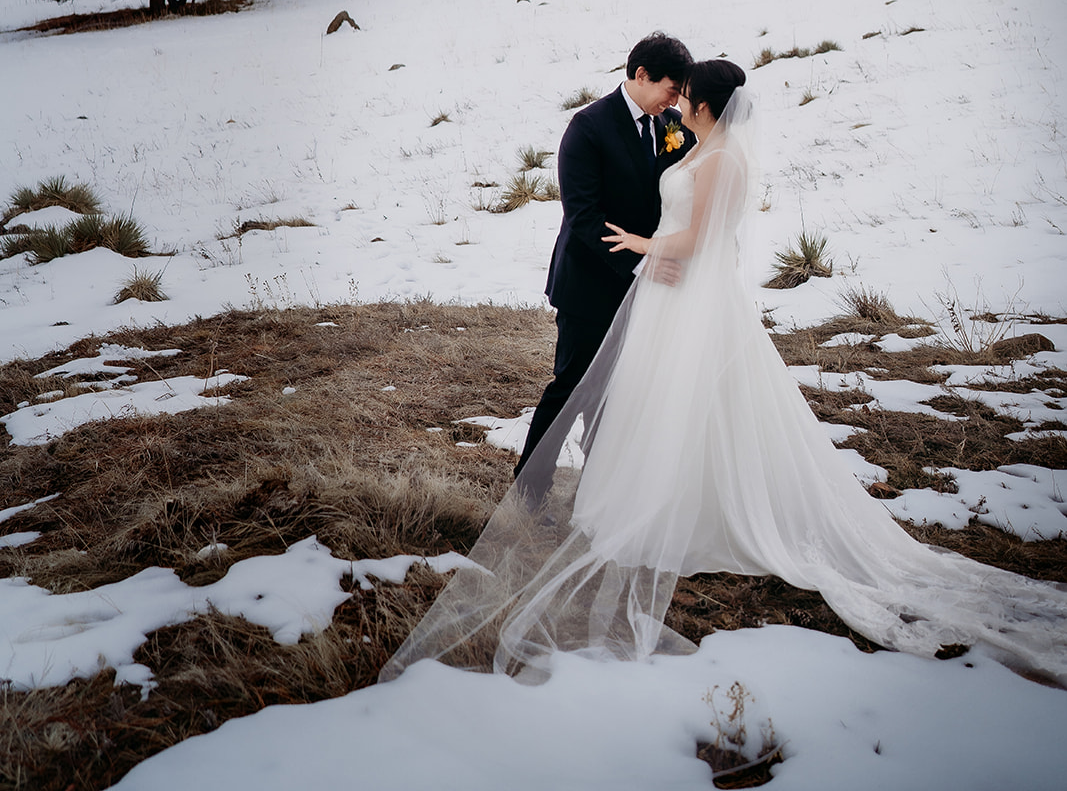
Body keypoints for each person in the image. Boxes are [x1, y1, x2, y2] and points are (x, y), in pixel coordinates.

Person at [382, 60, 1067, 689]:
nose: (676, 105)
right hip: (658, 290)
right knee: (649, 396)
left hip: (682, 288)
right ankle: (618, 487)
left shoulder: (713, 157)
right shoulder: (674, 142)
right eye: (670, 93)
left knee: (681, 397)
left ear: (704, 105)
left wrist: (643, 246)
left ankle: (689, 505)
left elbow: (696, 235)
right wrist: (649, 252)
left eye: (685, 98)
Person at [513, 31, 695, 478]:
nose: (674, 102)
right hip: (589, 285)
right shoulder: (588, 127)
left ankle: (599, 491)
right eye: (671, 90)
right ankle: (529, 487)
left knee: (618, 394)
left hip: (646, 291)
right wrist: (642, 263)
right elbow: (583, 216)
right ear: (642, 75)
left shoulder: (668, 125)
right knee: (572, 389)